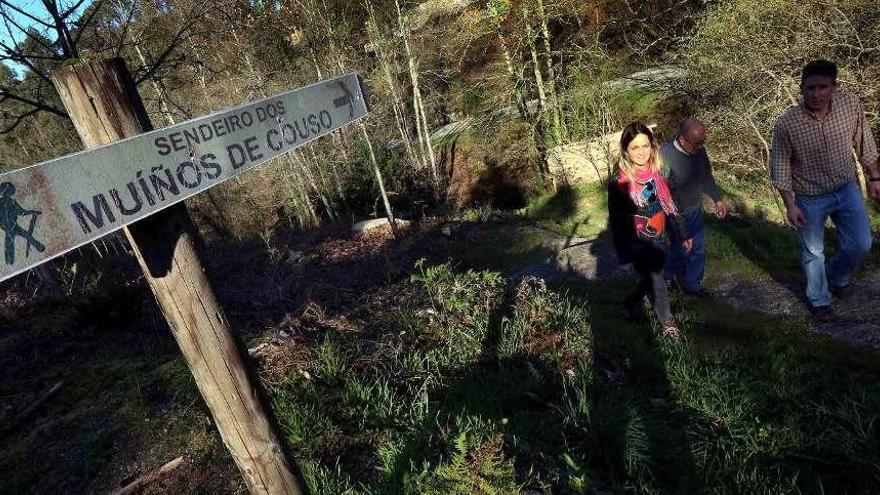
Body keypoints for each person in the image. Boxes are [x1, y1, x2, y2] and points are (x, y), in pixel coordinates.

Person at [770, 59, 880, 320]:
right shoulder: (787, 123)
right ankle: (819, 300)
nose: (816, 94)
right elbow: (780, 165)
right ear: (801, 89)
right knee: (813, 251)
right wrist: (790, 204)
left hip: (846, 188)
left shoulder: (850, 105)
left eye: (822, 87)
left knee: (861, 244)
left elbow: (865, 142)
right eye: (810, 88)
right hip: (810, 196)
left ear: (834, 87)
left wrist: (875, 177)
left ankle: (836, 277)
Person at [608, 122, 693, 338]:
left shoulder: (662, 172)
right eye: (635, 147)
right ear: (626, 150)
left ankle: (629, 304)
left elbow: (674, 205)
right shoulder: (619, 182)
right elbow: (617, 221)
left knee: (649, 280)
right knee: (657, 278)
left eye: (645, 146)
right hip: (638, 244)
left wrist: (683, 233)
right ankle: (667, 322)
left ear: (652, 146)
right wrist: (625, 254)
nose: (641, 152)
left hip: (661, 238)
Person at [662, 118, 729, 297]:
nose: (700, 146)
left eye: (703, 142)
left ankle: (693, 286)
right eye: (697, 143)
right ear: (683, 140)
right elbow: (664, 194)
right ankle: (667, 280)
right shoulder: (664, 157)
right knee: (676, 249)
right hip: (673, 214)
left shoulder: (699, 151)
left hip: (695, 210)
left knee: (697, 249)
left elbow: (706, 176)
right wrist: (677, 222)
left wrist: (717, 199)